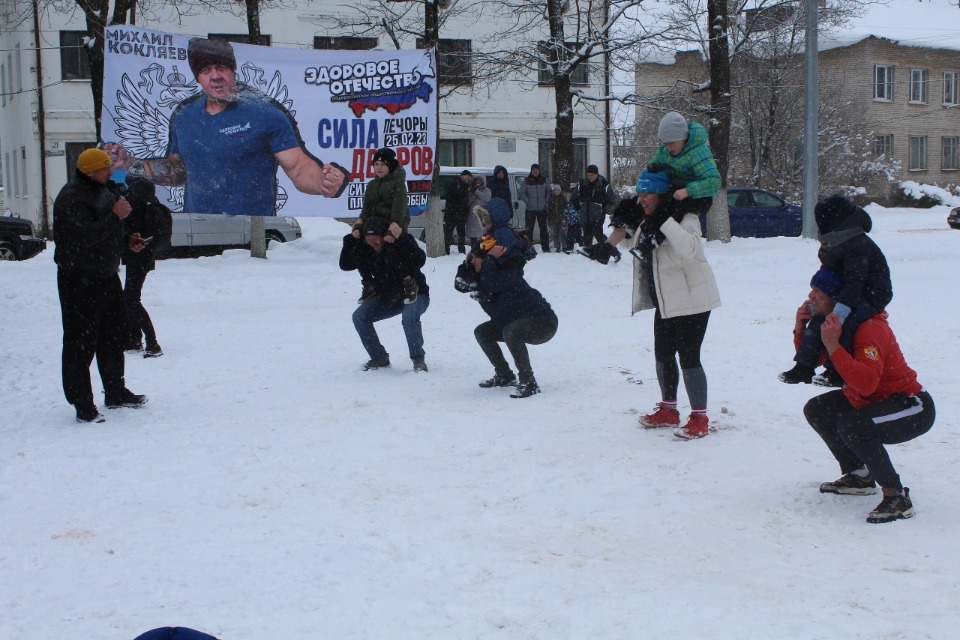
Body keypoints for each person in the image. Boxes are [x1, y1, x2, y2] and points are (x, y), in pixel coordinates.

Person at [105, 38, 348, 215]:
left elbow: (297, 167)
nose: (215, 75)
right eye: (205, 70)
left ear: (233, 70)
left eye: (221, 67)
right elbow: (177, 170)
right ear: (197, 77)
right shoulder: (185, 116)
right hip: (198, 234)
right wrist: (129, 165)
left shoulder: (265, 113)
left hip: (251, 239)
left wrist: (322, 183)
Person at [797, 267, 934, 523]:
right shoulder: (840, 322)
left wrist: (833, 345)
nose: (810, 295)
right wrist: (801, 327)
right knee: (818, 409)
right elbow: (815, 361)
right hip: (872, 401)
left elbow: (866, 383)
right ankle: (859, 476)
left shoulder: (869, 327)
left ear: (837, 298)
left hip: (912, 407)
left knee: (854, 426)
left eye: (818, 290)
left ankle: (896, 497)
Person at [610, 168, 721, 438]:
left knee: (689, 358)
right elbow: (634, 244)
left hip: (694, 301)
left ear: (661, 195)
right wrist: (614, 238)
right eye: (640, 194)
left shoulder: (688, 217)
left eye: (647, 194)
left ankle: (699, 418)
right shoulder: (648, 219)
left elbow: (690, 248)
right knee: (662, 355)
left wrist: (666, 220)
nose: (642, 200)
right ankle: (669, 410)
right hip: (666, 301)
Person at [53, 148, 148, 423]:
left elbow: (107, 231)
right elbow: (82, 237)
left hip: (106, 275)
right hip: (79, 279)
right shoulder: (71, 198)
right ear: (90, 171)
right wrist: (115, 217)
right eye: (105, 168)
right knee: (80, 342)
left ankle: (115, 391)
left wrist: (128, 239)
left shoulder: (103, 191)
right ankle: (83, 405)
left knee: (112, 336)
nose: (110, 172)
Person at [780, 195, 893, 387]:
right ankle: (804, 367)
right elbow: (832, 273)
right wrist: (820, 298)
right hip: (846, 291)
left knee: (846, 322)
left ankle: (836, 372)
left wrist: (840, 312)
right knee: (820, 321)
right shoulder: (835, 241)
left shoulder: (857, 244)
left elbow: (854, 282)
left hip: (873, 293)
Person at [458, 236, 558, 399]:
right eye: (473, 259)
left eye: (477, 259)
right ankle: (504, 375)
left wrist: (489, 257)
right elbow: (459, 284)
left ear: (489, 260)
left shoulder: (506, 275)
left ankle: (529, 381)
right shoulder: (483, 276)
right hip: (512, 322)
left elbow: (493, 284)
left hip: (543, 322)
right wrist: (467, 263)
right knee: (483, 332)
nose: (473, 262)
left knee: (512, 332)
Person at [340, 217, 430, 372]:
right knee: (359, 317)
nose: (372, 243)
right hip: (388, 297)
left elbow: (420, 259)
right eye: (368, 239)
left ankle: (418, 360)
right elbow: (345, 265)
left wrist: (400, 238)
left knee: (409, 317)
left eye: (375, 239)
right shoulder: (367, 250)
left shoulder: (399, 242)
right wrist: (351, 237)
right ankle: (379, 357)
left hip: (415, 293)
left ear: (383, 236)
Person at [350, 147, 411, 301]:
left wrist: (392, 232)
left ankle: (408, 283)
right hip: (372, 227)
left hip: (391, 227)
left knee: (390, 250)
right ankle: (368, 283)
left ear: (390, 166)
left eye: (382, 164)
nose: (379, 168)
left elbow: (399, 212)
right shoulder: (371, 185)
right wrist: (358, 227)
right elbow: (366, 210)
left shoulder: (398, 184)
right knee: (353, 245)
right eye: (376, 164)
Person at [122, 177, 172, 358]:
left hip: (137, 257)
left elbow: (125, 228)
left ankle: (151, 342)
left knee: (132, 300)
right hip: (142, 258)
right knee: (130, 298)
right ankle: (135, 339)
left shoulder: (136, 206)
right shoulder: (150, 204)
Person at [645, 111, 720, 217]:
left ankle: (668, 231)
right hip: (672, 192)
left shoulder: (697, 152)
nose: (669, 147)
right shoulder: (664, 150)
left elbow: (714, 181)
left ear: (683, 137)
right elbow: (653, 165)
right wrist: (653, 169)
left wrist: (688, 191)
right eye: (665, 143)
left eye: (672, 143)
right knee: (637, 206)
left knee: (666, 211)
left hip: (697, 197)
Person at [570, 164, 617, 247]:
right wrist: (578, 207)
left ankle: (609, 251)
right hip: (585, 215)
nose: (590, 177)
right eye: (588, 175)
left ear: (596, 174)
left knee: (598, 235)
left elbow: (611, 199)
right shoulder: (581, 184)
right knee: (587, 238)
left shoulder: (604, 184)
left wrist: (605, 209)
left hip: (598, 215)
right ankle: (589, 254)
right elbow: (573, 197)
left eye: (592, 175)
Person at [520, 163, 550, 252]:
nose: (535, 171)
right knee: (528, 230)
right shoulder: (526, 181)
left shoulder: (545, 180)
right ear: (531, 171)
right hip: (530, 210)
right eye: (533, 170)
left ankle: (546, 248)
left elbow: (549, 191)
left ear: (539, 170)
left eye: (537, 169)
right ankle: (528, 248)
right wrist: (528, 202)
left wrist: (545, 201)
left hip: (542, 209)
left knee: (544, 230)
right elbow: (522, 193)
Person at [444, 169, 472, 254]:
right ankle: (446, 250)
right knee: (449, 233)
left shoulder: (465, 185)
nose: (468, 179)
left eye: (470, 178)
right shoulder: (455, 183)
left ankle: (461, 250)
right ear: (463, 175)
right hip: (452, 213)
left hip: (460, 214)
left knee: (461, 234)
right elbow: (452, 199)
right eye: (468, 177)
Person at [466, 174, 491, 246]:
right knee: (472, 235)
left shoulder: (487, 190)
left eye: (480, 180)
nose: (478, 182)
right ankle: (473, 248)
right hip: (471, 214)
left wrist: (476, 191)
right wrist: (471, 191)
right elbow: (467, 199)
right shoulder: (470, 189)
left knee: (482, 235)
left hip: (481, 215)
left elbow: (486, 198)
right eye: (476, 180)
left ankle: (481, 250)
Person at [545, 184, 567, 253]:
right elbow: (549, 210)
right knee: (555, 234)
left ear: (560, 191)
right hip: (553, 219)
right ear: (553, 191)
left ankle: (564, 246)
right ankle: (557, 247)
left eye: (558, 190)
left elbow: (566, 208)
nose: (557, 191)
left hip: (562, 219)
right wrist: (549, 219)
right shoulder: (551, 199)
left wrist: (565, 218)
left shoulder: (563, 198)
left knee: (563, 233)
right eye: (555, 190)